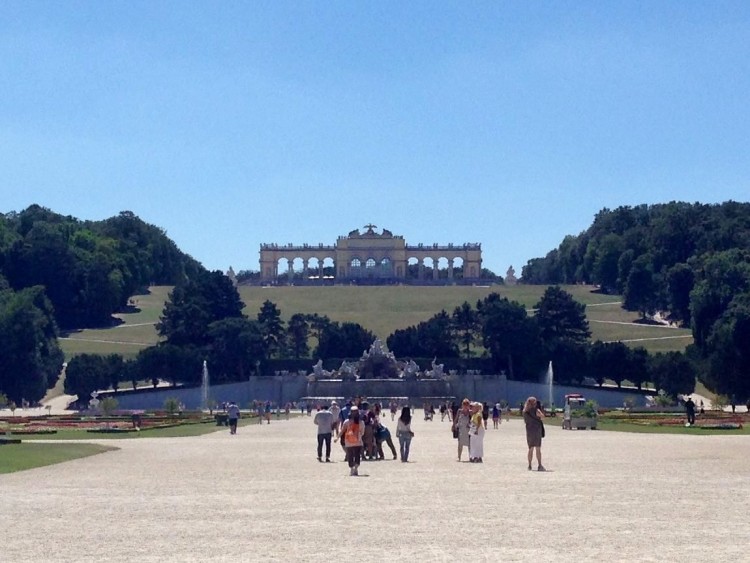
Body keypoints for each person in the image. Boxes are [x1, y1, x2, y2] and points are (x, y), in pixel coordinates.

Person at [523, 396, 546, 471]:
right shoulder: (536, 410)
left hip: (529, 431)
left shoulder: (525, 411)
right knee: (538, 449)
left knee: (530, 449)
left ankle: (529, 465)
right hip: (536, 430)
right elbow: (542, 417)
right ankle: (539, 465)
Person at [341, 406, 365, 476]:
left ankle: (352, 469)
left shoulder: (346, 422)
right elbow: (362, 432)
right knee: (357, 456)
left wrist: (337, 437)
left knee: (350, 456)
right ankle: (356, 469)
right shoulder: (361, 422)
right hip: (358, 442)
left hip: (348, 442)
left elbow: (342, 431)